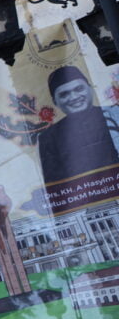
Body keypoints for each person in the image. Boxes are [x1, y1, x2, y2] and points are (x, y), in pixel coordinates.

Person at [37, 64, 119, 211]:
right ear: (55, 101)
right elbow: (55, 187)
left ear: (90, 88)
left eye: (79, 89)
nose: (73, 97)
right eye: (64, 94)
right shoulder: (48, 137)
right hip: (87, 208)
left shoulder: (115, 114)